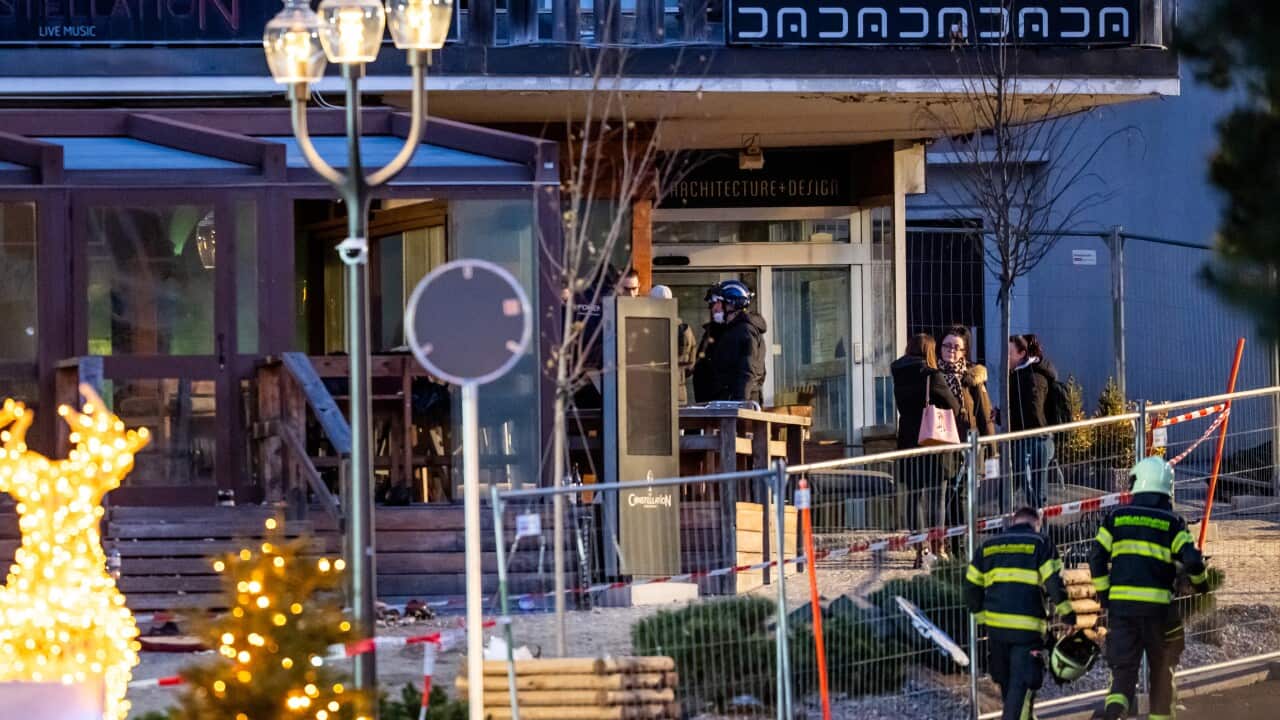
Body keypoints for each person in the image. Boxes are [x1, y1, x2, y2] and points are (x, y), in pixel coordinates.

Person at [1091, 457, 1209, 720]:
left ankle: (1114, 712)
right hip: (1159, 613)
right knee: (1161, 673)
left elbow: (1096, 556)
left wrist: (1105, 593)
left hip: (1122, 611)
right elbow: (1191, 560)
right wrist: (1202, 587)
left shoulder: (1115, 518)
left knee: (1122, 675)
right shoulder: (1172, 522)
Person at [965, 506, 1077, 720]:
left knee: (1007, 683)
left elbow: (971, 587)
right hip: (1028, 629)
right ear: (1037, 523)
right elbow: (1054, 583)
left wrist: (981, 618)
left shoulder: (988, 547)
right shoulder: (1041, 543)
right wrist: (1068, 615)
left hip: (997, 630)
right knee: (1022, 684)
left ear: (1013, 521)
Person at [891, 333, 962, 566]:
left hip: (908, 443)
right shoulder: (932, 375)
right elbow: (954, 405)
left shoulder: (898, 374)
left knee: (913, 498)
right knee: (937, 499)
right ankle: (938, 548)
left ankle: (919, 550)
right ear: (929, 351)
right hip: (933, 443)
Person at [938, 325, 995, 545]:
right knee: (946, 498)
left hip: (968, 445)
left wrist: (992, 452)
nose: (951, 350)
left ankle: (962, 546)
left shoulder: (973, 378)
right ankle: (949, 545)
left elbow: (984, 415)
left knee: (963, 496)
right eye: (947, 345)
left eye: (956, 347)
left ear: (964, 351)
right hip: (943, 446)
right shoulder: (935, 376)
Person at [691, 280, 767, 404]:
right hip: (720, 405)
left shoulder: (744, 331)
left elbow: (747, 371)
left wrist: (738, 406)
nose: (713, 308)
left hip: (732, 408)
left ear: (732, 304)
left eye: (717, 303)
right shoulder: (724, 330)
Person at [1008, 333, 1057, 509]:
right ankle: (1033, 526)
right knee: (1027, 487)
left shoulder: (1030, 377)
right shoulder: (1022, 374)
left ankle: (1037, 529)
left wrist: (1004, 417)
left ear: (1022, 353)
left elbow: (1032, 411)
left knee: (1032, 488)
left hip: (1033, 438)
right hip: (1035, 437)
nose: (1005, 357)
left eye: (1009, 352)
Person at [650, 284, 698, 405]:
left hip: (652, 395)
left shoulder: (647, 329)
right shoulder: (685, 330)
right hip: (678, 394)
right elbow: (690, 366)